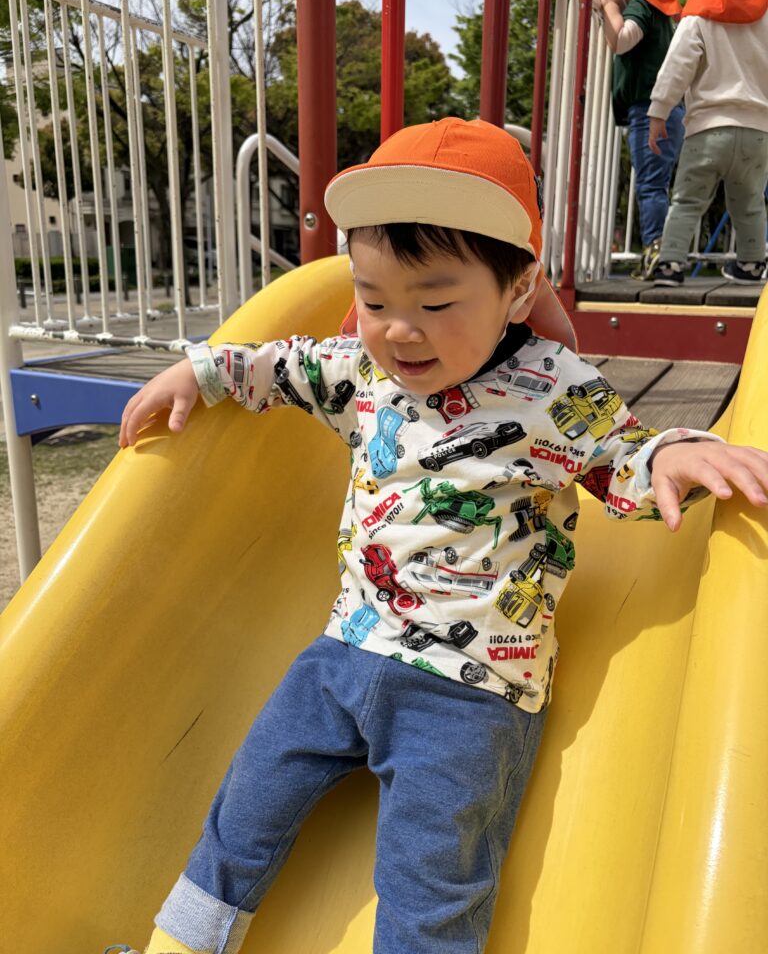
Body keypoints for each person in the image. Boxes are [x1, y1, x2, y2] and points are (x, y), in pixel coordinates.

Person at [113, 118, 768, 954]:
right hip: (343, 650)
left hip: (470, 688)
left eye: (434, 303)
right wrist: (202, 371)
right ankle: (185, 944)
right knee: (245, 804)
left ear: (518, 292)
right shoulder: (365, 371)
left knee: (431, 882)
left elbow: (618, 455)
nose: (399, 329)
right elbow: (286, 365)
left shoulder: (550, 389)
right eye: (375, 301)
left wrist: (672, 455)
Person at [647, 0, 768, 287]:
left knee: (687, 201)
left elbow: (678, 64)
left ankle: (671, 264)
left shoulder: (702, 8)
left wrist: (659, 110)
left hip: (708, 130)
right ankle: (751, 263)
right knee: (749, 201)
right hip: (758, 132)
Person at [593, 0, 685, 278]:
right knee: (656, 184)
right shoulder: (658, 7)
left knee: (650, 186)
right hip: (664, 109)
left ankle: (659, 256)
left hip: (651, 110)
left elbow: (622, 40)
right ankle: (662, 254)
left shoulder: (641, 4)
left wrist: (609, 7)